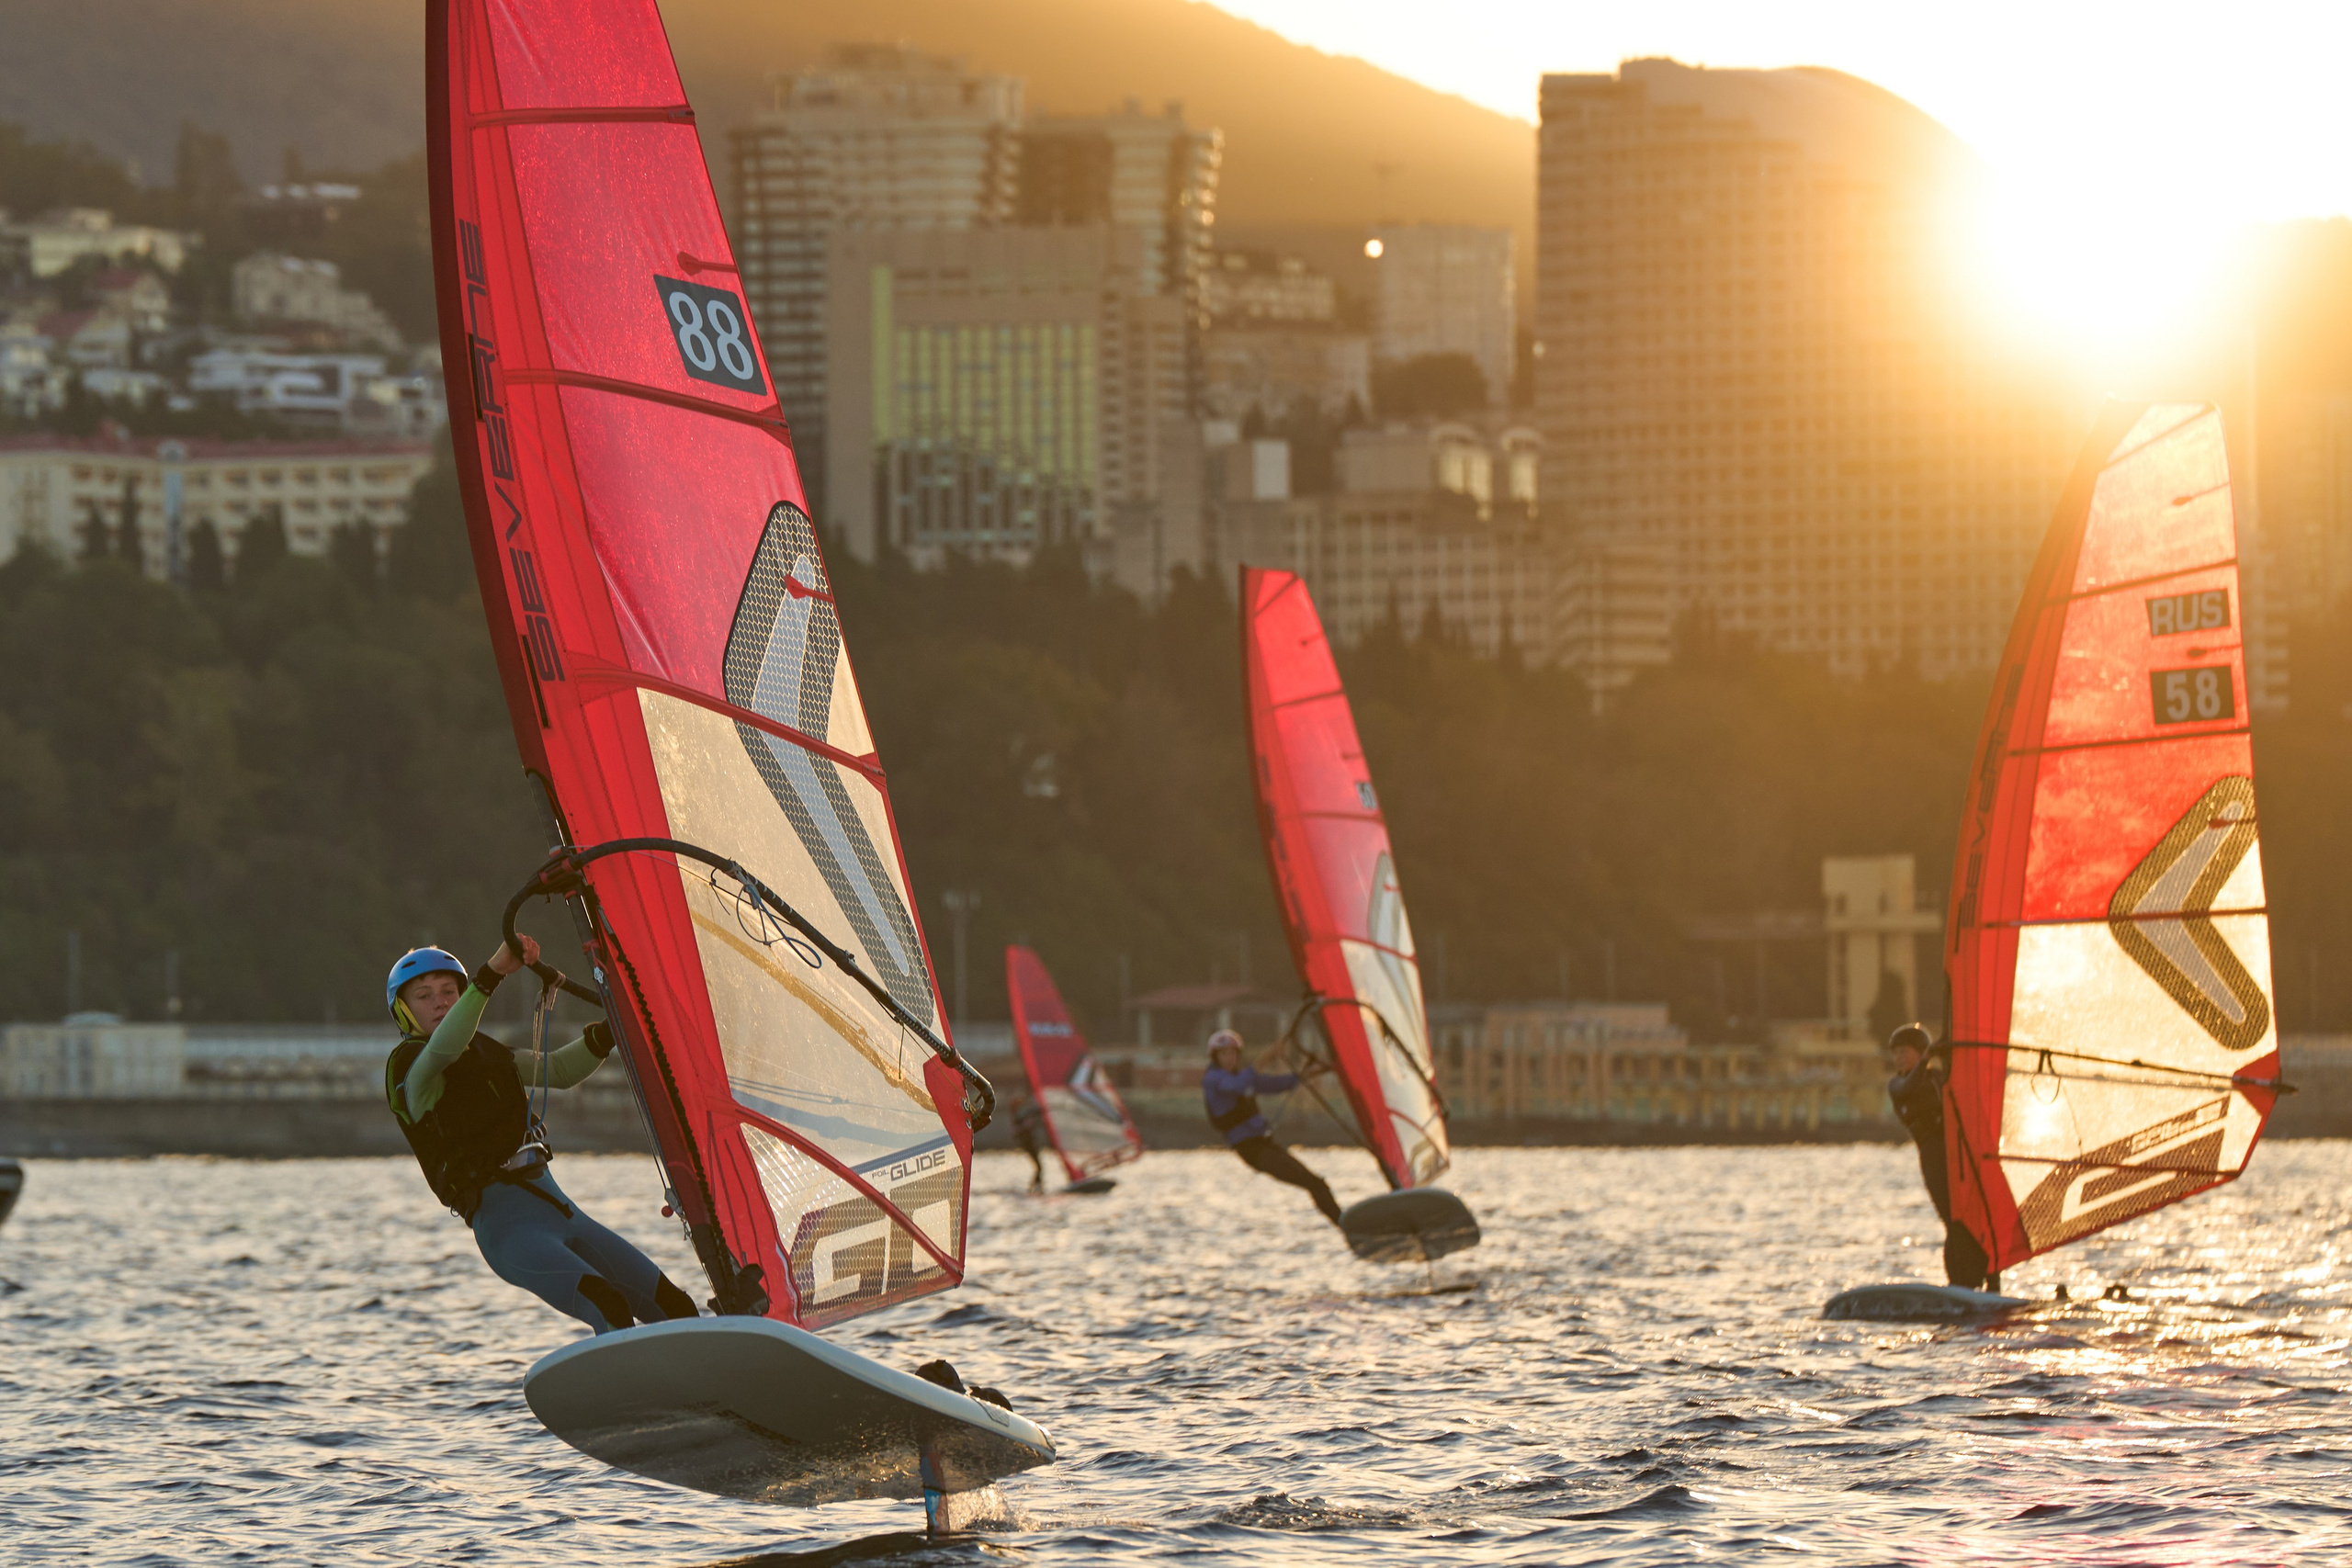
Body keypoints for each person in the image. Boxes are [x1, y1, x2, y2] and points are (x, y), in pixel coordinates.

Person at [384, 937, 700, 1335]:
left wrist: (614, 1029)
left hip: (560, 1209)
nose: (440, 1002)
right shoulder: (409, 1068)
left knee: (677, 1306)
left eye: (450, 992)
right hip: (508, 1230)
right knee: (609, 1307)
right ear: (403, 1010)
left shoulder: (487, 1053)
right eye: (424, 996)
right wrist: (493, 973)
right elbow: (444, 1050)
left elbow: (560, 1071)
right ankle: (627, 1391)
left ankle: (706, 1388)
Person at [1886, 1021, 1997, 1292]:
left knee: (1980, 1215)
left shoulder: (1937, 1077)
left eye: (1905, 1052)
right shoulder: (1897, 1084)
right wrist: (1926, 1057)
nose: (1898, 1058)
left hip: (1959, 1152)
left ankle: (1991, 1279)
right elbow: (1910, 1086)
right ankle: (1960, 1282)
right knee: (1953, 1219)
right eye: (1896, 1053)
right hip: (1933, 1154)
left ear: (1919, 1051)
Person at [1202, 1027, 1343, 1225]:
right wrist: (1268, 1056)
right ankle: (1345, 1225)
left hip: (1266, 1146)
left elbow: (1278, 1084)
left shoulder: (1243, 1078)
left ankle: (1345, 1223)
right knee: (1314, 1183)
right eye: (1224, 1054)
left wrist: (1315, 1071)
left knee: (1317, 1183)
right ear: (1215, 1058)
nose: (1229, 1058)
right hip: (1253, 1151)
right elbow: (1237, 1086)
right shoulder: (1214, 1080)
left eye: (1233, 1053)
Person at [1011, 1094, 1049, 1195]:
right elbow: (1017, 1130)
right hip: (1028, 1144)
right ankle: (1034, 1188)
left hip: (1031, 1143)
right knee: (1039, 1167)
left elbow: (1032, 1116)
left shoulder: (1021, 1115)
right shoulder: (1017, 1117)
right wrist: (1026, 1125)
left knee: (1039, 1167)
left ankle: (1036, 1187)